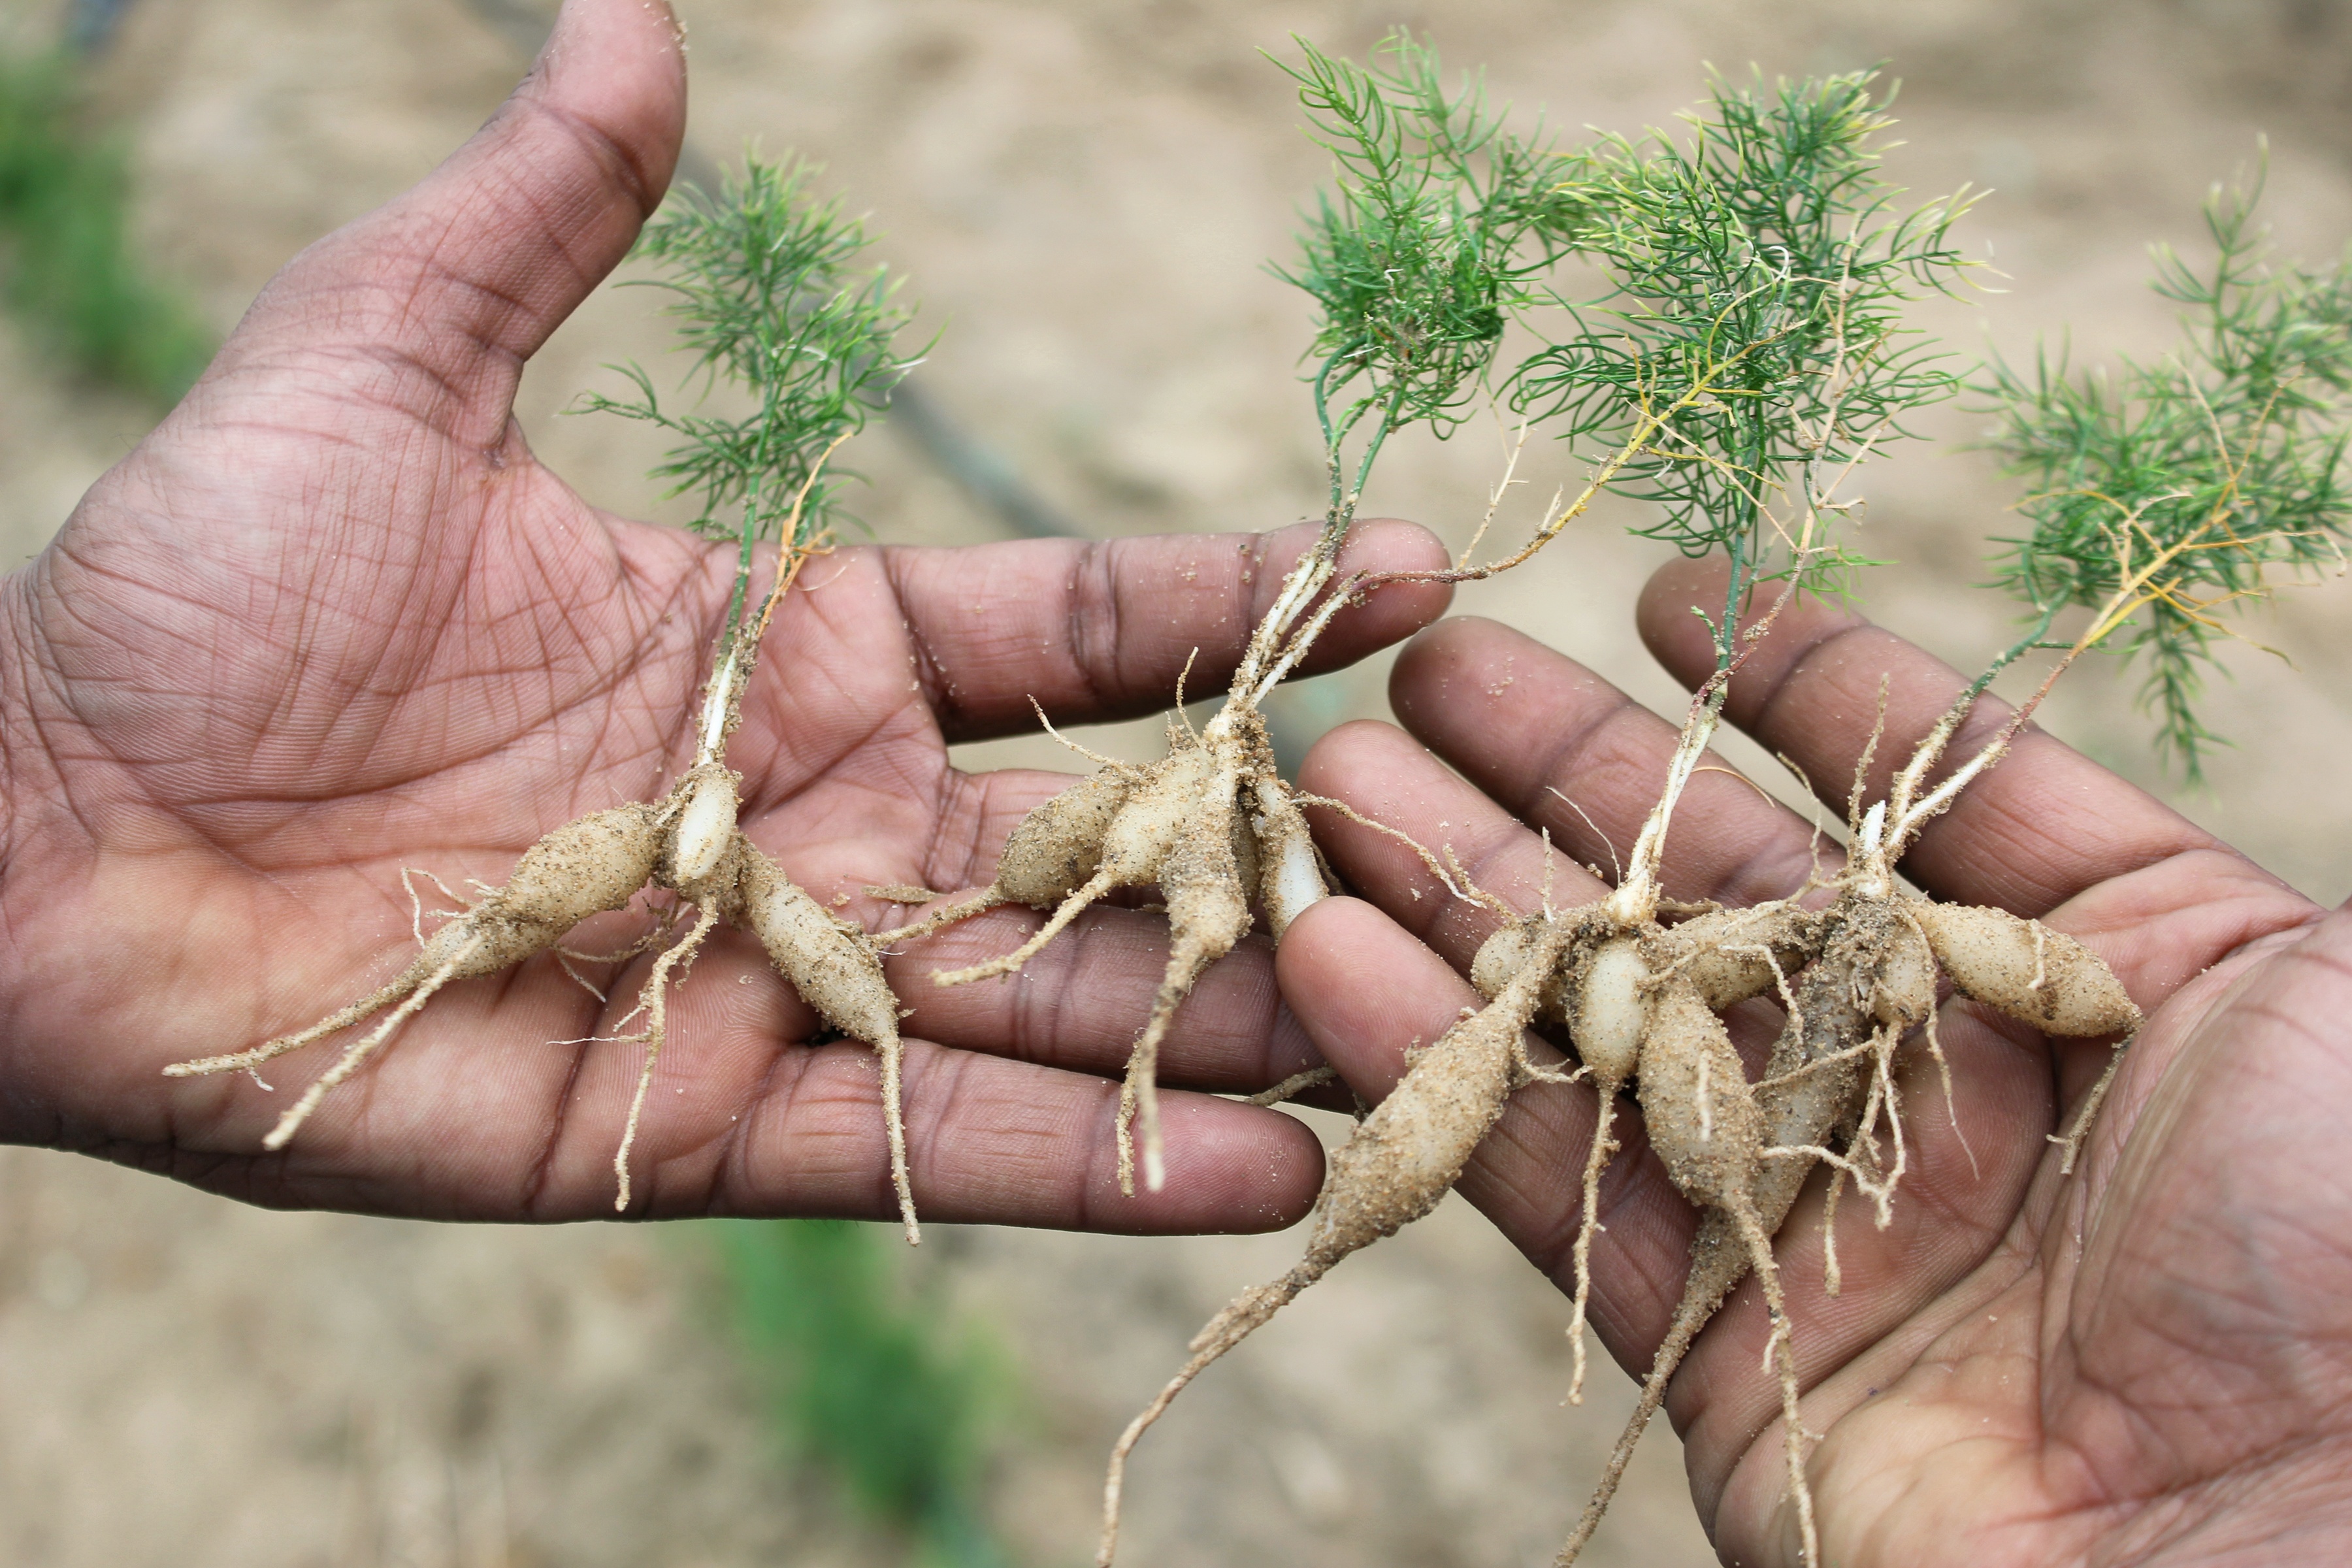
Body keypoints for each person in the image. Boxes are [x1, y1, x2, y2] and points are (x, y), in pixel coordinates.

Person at [6, 1, 2345, 1561]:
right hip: (1440, 907)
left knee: (1693, 1114)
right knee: (1108, 947)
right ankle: (359, 1013)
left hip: (1654, 946)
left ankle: (387, 1013)